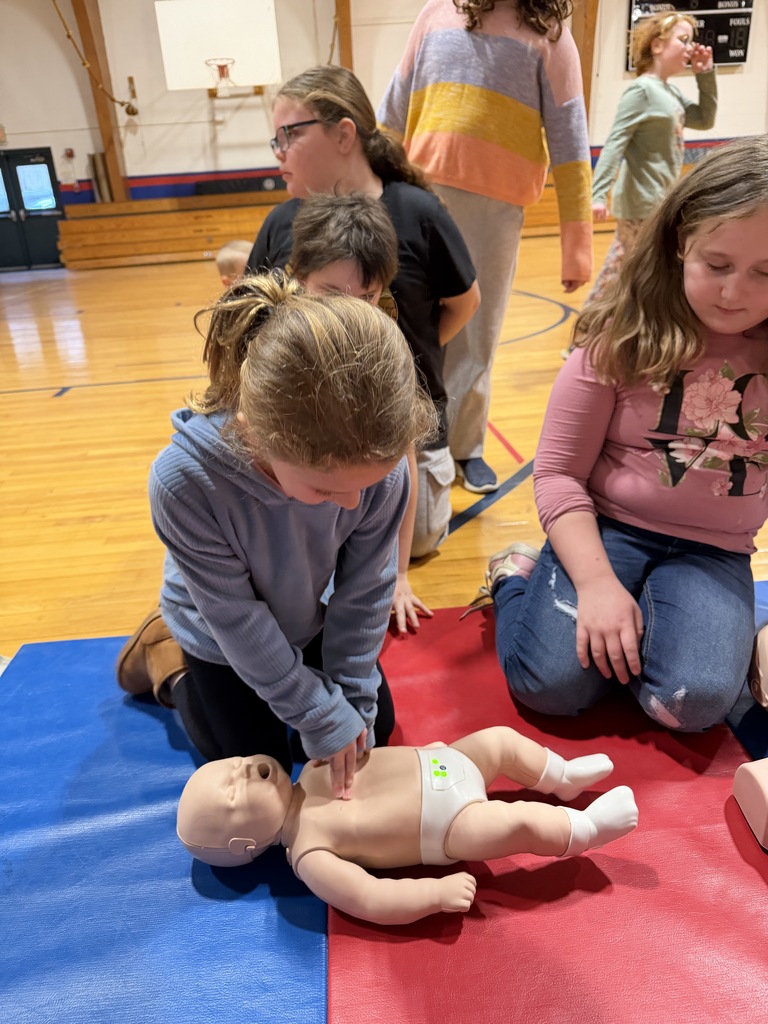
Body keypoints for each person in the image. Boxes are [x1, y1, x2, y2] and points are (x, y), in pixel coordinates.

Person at [476, 134, 768, 733]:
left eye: (766, 273)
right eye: (716, 265)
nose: (734, 292)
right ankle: (515, 578)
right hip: (606, 530)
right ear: (681, 243)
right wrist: (596, 584)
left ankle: (657, 631)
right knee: (549, 686)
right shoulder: (621, 338)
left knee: (694, 704)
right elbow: (557, 473)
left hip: (714, 551)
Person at [124, 273, 438, 799]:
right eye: (324, 489)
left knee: (370, 735)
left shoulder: (379, 471)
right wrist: (317, 711)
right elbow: (238, 619)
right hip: (219, 629)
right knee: (255, 767)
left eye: (366, 485)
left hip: (304, 613)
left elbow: (364, 592)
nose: (352, 504)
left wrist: (351, 704)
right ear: (254, 433)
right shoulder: (184, 482)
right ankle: (170, 661)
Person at [248, 64, 481, 629]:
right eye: (274, 138)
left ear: (344, 134)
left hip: (396, 425)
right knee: (308, 520)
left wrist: (405, 355)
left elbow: (464, 301)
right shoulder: (283, 224)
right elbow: (252, 329)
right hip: (312, 420)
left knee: (415, 535)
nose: (279, 151)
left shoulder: (417, 212)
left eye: (290, 134)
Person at [378, 0, 593, 493]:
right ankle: (409, 436)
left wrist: (576, 244)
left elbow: (569, 137)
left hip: (494, 207)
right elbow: (394, 105)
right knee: (408, 319)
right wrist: (370, 188)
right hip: (415, 193)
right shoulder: (435, 14)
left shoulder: (551, 35)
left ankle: (464, 446)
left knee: (477, 331)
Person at [176, 726, 638, 925]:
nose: (247, 768)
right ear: (244, 843)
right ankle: (586, 830)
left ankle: (560, 776)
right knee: (516, 822)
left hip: (444, 761)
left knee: (500, 741)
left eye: (234, 763)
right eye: (235, 792)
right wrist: (433, 896)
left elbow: (364, 748)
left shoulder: (312, 766)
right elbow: (370, 898)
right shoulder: (311, 854)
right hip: (449, 824)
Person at [586, 10, 716, 306]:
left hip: (659, 202)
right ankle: (583, 337)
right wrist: (598, 193)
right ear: (657, 46)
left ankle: (608, 334)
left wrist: (705, 75)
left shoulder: (669, 92)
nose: (690, 48)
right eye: (683, 40)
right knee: (621, 271)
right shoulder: (641, 91)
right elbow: (615, 142)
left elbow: (705, 118)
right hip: (640, 204)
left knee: (637, 272)